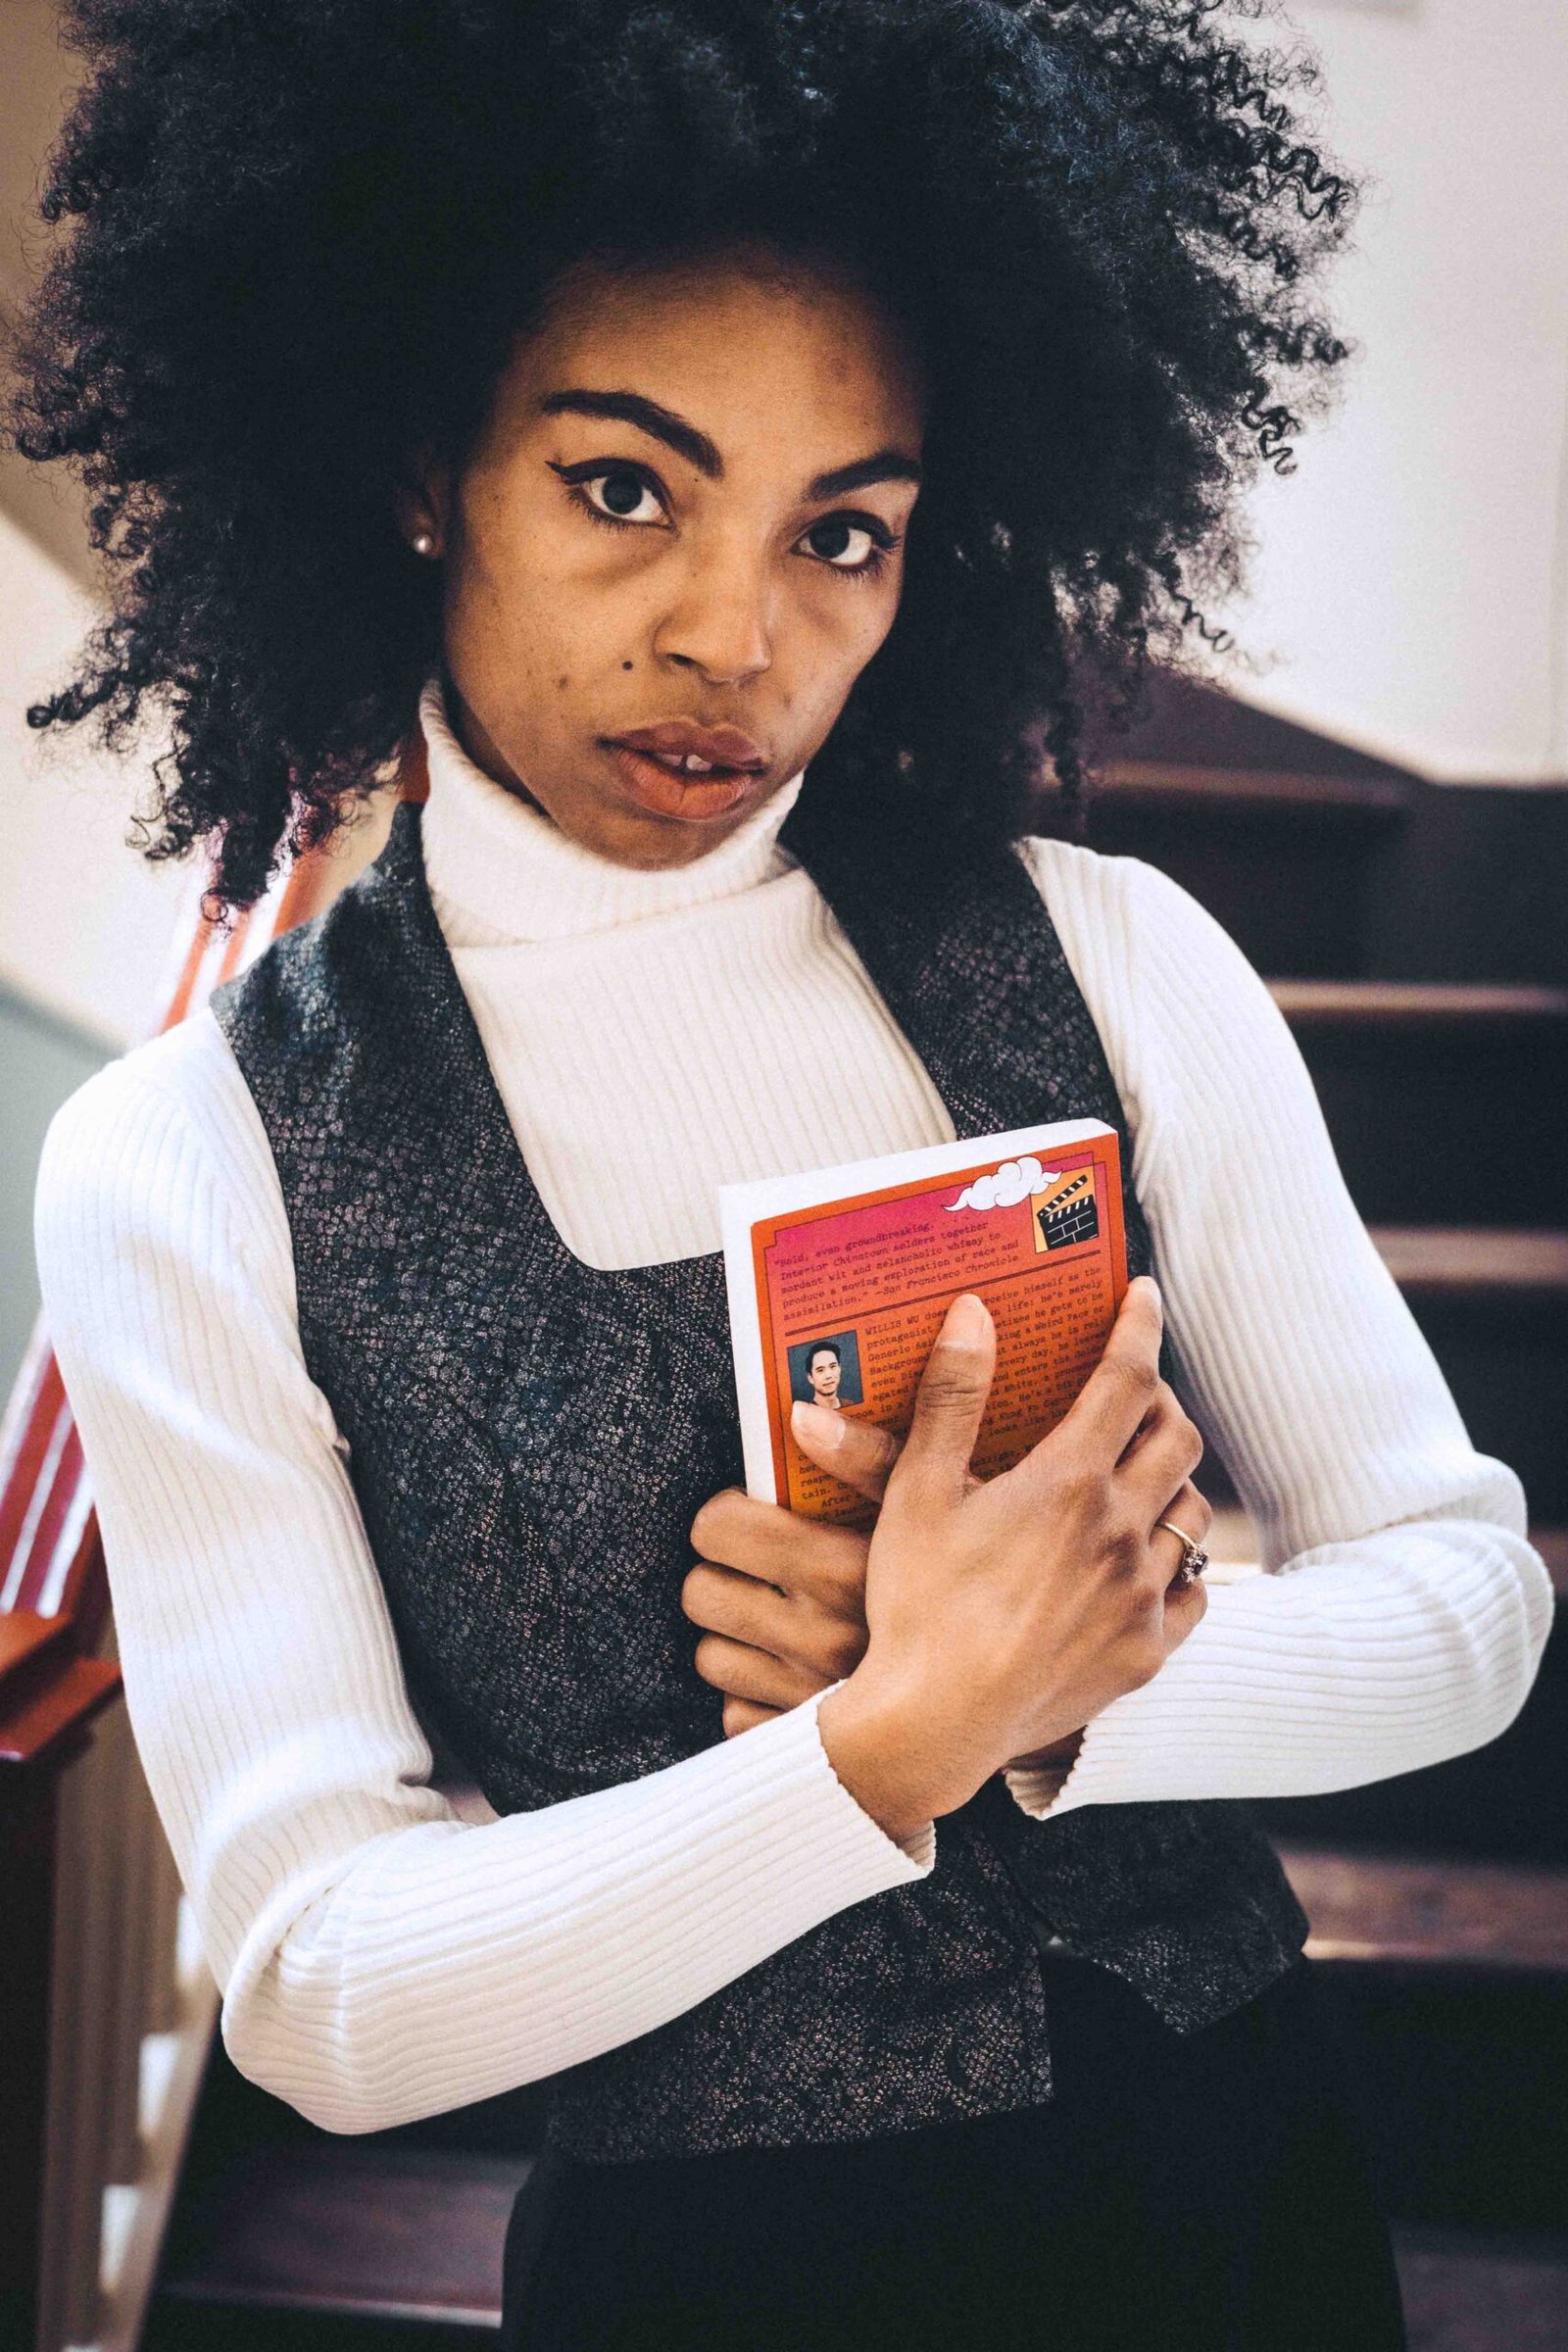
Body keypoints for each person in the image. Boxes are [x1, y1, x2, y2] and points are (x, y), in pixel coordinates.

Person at [16, 3, 1552, 2346]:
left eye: (841, 533)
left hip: (1231, 2203)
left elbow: (1465, 1608)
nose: (735, 638)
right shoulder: (197, 1155)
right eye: (624, 484)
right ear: (427, 455)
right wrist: (884, 1739)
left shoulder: (1114, 960)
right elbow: (319, 1990)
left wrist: (1063, 1692)